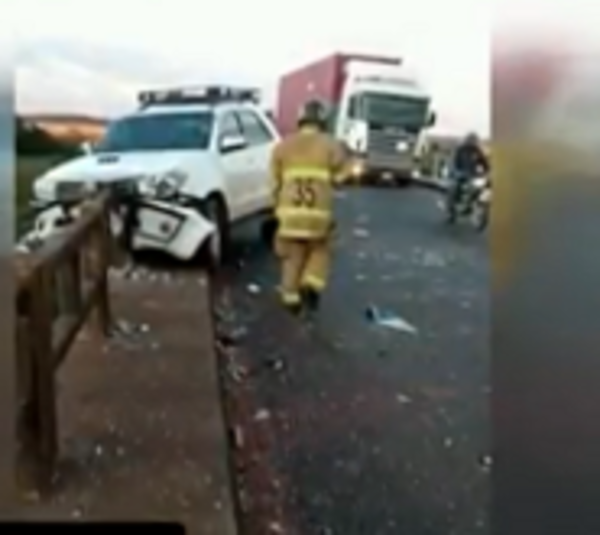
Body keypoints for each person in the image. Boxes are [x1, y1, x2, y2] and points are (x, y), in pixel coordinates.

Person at [269, 99, 346, 316]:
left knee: (292, 257)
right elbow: (341, 177)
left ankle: (290, 299)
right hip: (318, 217)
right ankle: (311, 284)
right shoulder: (331, 145)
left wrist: (274, 211)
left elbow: (274, 184)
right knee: (322, 249)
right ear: (322, 120)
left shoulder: (282, 147)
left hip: (288, 216)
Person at [448, 132, 490, 211]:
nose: (472, 143)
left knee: (481, 188)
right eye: (471, 140)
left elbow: (485, 164)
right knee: (454, 187)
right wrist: (456, 172)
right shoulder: (460, 150)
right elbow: (453, 162)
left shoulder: (478, 151)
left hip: (473, 175)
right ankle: (451, 208)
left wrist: (487, 172)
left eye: (474, 141)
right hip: (460, 174)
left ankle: (474, 205)